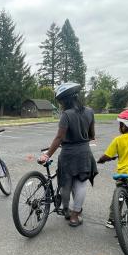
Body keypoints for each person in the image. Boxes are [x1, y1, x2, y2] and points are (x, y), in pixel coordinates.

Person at [38, 82, 98, 227]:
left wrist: (47, 154)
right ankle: (75, 216)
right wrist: (80, 140)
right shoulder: (90, 111)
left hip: (68, 154)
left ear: (65, 101)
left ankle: (66, 211)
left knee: (65, 184)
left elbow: (59, 138)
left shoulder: (66, 114)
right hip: (84, 153)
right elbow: (92, 135)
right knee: (81, 184)